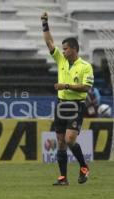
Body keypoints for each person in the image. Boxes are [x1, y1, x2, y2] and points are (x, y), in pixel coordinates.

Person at [41, 12, 94, 186]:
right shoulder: (61, 61)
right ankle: (63, 178)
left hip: (75, 106)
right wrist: (45, 23)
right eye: (62, 49)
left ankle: (84, 167)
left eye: (65, 49)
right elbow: (49, 42)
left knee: (70, 139)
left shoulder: (86, 67)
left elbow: (86, 88)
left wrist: (66, 86)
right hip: (61, 105)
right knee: (61, 142)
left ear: (74, 49)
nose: (62, 51)